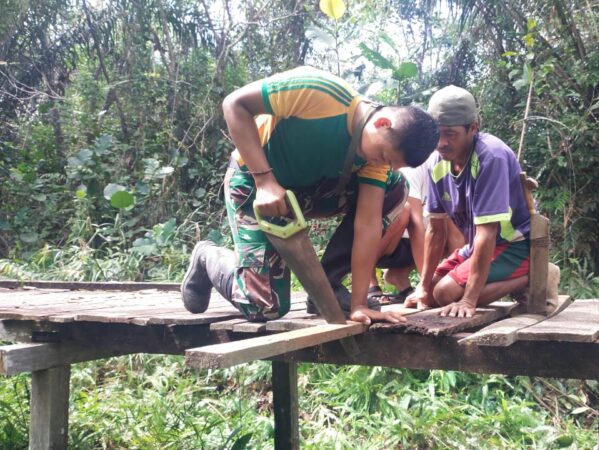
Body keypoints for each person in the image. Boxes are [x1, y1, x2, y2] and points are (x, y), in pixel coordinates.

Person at [181, 66, 439, 325]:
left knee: (394, 188)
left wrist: (360, 304)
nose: (384, 163)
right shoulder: (319, 91)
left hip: (307, 192)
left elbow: (368, 224)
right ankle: (207, 257)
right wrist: (264, 180)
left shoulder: (377, 154)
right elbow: (234, 104)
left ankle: (326, 288)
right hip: (254, 184)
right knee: (264, 307)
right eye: (385, 156)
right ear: (383, 124)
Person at [405, 86, 533, 317]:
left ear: (472, 128)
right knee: (433, 293)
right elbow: (435, 230)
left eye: (450, 134)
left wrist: (468, 300)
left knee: (445, 294)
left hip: (515, 245)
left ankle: (534, 276)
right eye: (437, 133)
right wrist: (422, 287)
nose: (441, 143)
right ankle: (444, 289)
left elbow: (488, 232)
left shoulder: (490, 157)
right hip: (476, 246)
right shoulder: (437, 163)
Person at [367, 159, 466, 304]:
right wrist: (426, 285)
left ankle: (398, 275)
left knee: (461, 231)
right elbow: (416, 225)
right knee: (404, 212)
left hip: (413, 247)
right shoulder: (414, 169)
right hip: (385, 240)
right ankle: (369, 283)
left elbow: (455, 236)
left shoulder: (453, 176)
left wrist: (457, 279)